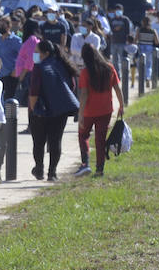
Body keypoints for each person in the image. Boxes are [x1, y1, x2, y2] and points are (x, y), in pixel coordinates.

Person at [27, 39, 79, 181]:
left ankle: (39, 169)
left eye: (37, 52)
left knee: (38, 142)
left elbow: (34, 91)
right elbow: (72, 86)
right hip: (60, 109)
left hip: (40, 110)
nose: (34, 54)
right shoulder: (64, 65)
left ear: (45, 53)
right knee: (55, 141)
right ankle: (52, 173)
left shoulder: (39, 67)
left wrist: (33, 109)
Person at [76, 42, 123, 176]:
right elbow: (117, 88)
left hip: (89, 111)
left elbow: (84, 94)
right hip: (105, 110)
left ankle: (85, 164)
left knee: (83, 135)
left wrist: (80, 114)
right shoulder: (109, 68)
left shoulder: (85, 72)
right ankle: (99, 169)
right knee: (100, 139)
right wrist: (121, 105)